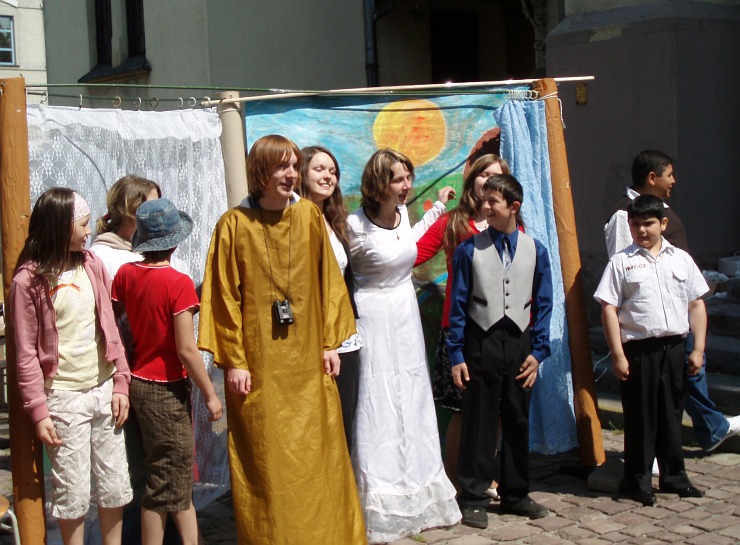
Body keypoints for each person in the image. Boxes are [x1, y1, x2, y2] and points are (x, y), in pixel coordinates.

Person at [197, 134, 366, 544]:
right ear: (260, 172)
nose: (291, 174)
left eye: (293, 166)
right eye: (281, 166)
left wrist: (329, 343)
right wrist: (234, 361)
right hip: (260, 370)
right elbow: (223, 296)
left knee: (319, 456)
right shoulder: (233, 225)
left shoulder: (308, 216)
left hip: (308, 365)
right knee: (267, 462)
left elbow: (328, 282)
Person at [347, 148, 461, 543]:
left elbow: (406, 242)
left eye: (408, 178)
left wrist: (437, 209)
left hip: (405, 318)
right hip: (372, 318)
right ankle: (380, 498)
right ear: (379, 182)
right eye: (398, 179)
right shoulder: (354, 225)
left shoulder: (401, 213)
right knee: (376, 401)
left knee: (411, 399)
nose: (407, 185)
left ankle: (420, 488)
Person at [9, 188, 132, 545]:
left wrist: (121, 381)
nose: (89, 231)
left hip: (104, 388)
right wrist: (39, 411)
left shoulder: (91, 264)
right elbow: (25, 353)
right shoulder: (28, 281)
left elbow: (109, 327)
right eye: (82, 225)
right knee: (72, 492)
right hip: (63, 398)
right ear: (60, 227)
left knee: (114, 484)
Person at [604, 149, 740, 453]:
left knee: (685, 374)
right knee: (651, 394)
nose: (674, 181)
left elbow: (692, 294)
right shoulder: (623, 216)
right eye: (670, 174)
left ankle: (704, 431)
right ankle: (659, 449)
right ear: (652, 177)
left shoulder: (662, 212)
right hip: (646, 327)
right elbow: (621, 271)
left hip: (675, 313)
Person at [111, 198, 223, 545]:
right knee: (169, 484)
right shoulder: (178, 283)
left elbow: (118, 322)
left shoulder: (126, 274)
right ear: (174, 242)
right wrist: (210, 394)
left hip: (137, 382)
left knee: (162, 481)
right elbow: (186, 349)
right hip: (166, 388)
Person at [448, 173, 553, 528]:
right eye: (484, 200)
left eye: (493, 201)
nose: (486, 207)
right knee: (479, 419)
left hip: (520, 343)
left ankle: (516, 493)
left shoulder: (536, 250)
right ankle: (473, 495)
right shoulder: (468, 250)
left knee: (517, 419)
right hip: (482, 342)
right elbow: (458, 305)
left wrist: (538, 352)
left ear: (514, 206)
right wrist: (457, 355)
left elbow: (544, 303)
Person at [595, 194, 709, 506]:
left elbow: (696, 304)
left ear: (663, 223)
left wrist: (698, 349)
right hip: (639, 350)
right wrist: (617, 354)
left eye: (648, 223)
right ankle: (638, 480)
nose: (642, 230)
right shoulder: (621, 262)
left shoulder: (680, 259)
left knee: (671, 414)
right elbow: (609, 309)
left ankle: (674, 477)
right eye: (635, 225)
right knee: (640, 417)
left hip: (674, 347)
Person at [90, 175, 182, 545]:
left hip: (159, 371)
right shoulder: (106, 256)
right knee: (136, 467)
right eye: (149, 204)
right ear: (130, 210)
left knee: (164, 463)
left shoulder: (139, 252)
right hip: (128, 372)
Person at [414, 153, 510, 497]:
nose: (489, 181)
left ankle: (484, 477)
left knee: (496, 408)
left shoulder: (513, 224)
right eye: (484, 174)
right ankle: (454, 481)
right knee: (462, 409)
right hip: (460, 331)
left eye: (497, 175)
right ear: (473, 179)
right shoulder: (453, 222)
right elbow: (411, 255)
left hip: (500, 331)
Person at [298, 145, 362, 453]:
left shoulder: (336, 222)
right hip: (311, 337)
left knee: (344, 417)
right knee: (315, 422)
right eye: (319, 169)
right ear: (303, 173)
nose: (328, 176)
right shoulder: (293, 220)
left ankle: (343, 480)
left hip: (344, 336)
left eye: (333, 171)